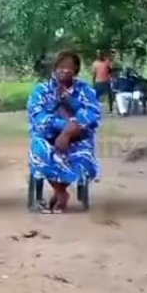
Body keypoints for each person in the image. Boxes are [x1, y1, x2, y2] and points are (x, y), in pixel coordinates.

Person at [28, 49, 101, 212]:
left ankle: (59, 191)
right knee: (40, 149)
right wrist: (65, 128)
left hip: (78, 137)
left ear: (76, 70)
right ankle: (61, 192)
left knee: (83, 156)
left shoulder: (85, 90)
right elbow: (38, 116)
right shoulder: (41, 90)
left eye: (70, 67)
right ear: (54, 68)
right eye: (61, 66)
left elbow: (93, 115)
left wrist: (69, 131)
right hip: (48, 136)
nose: (65, 70)